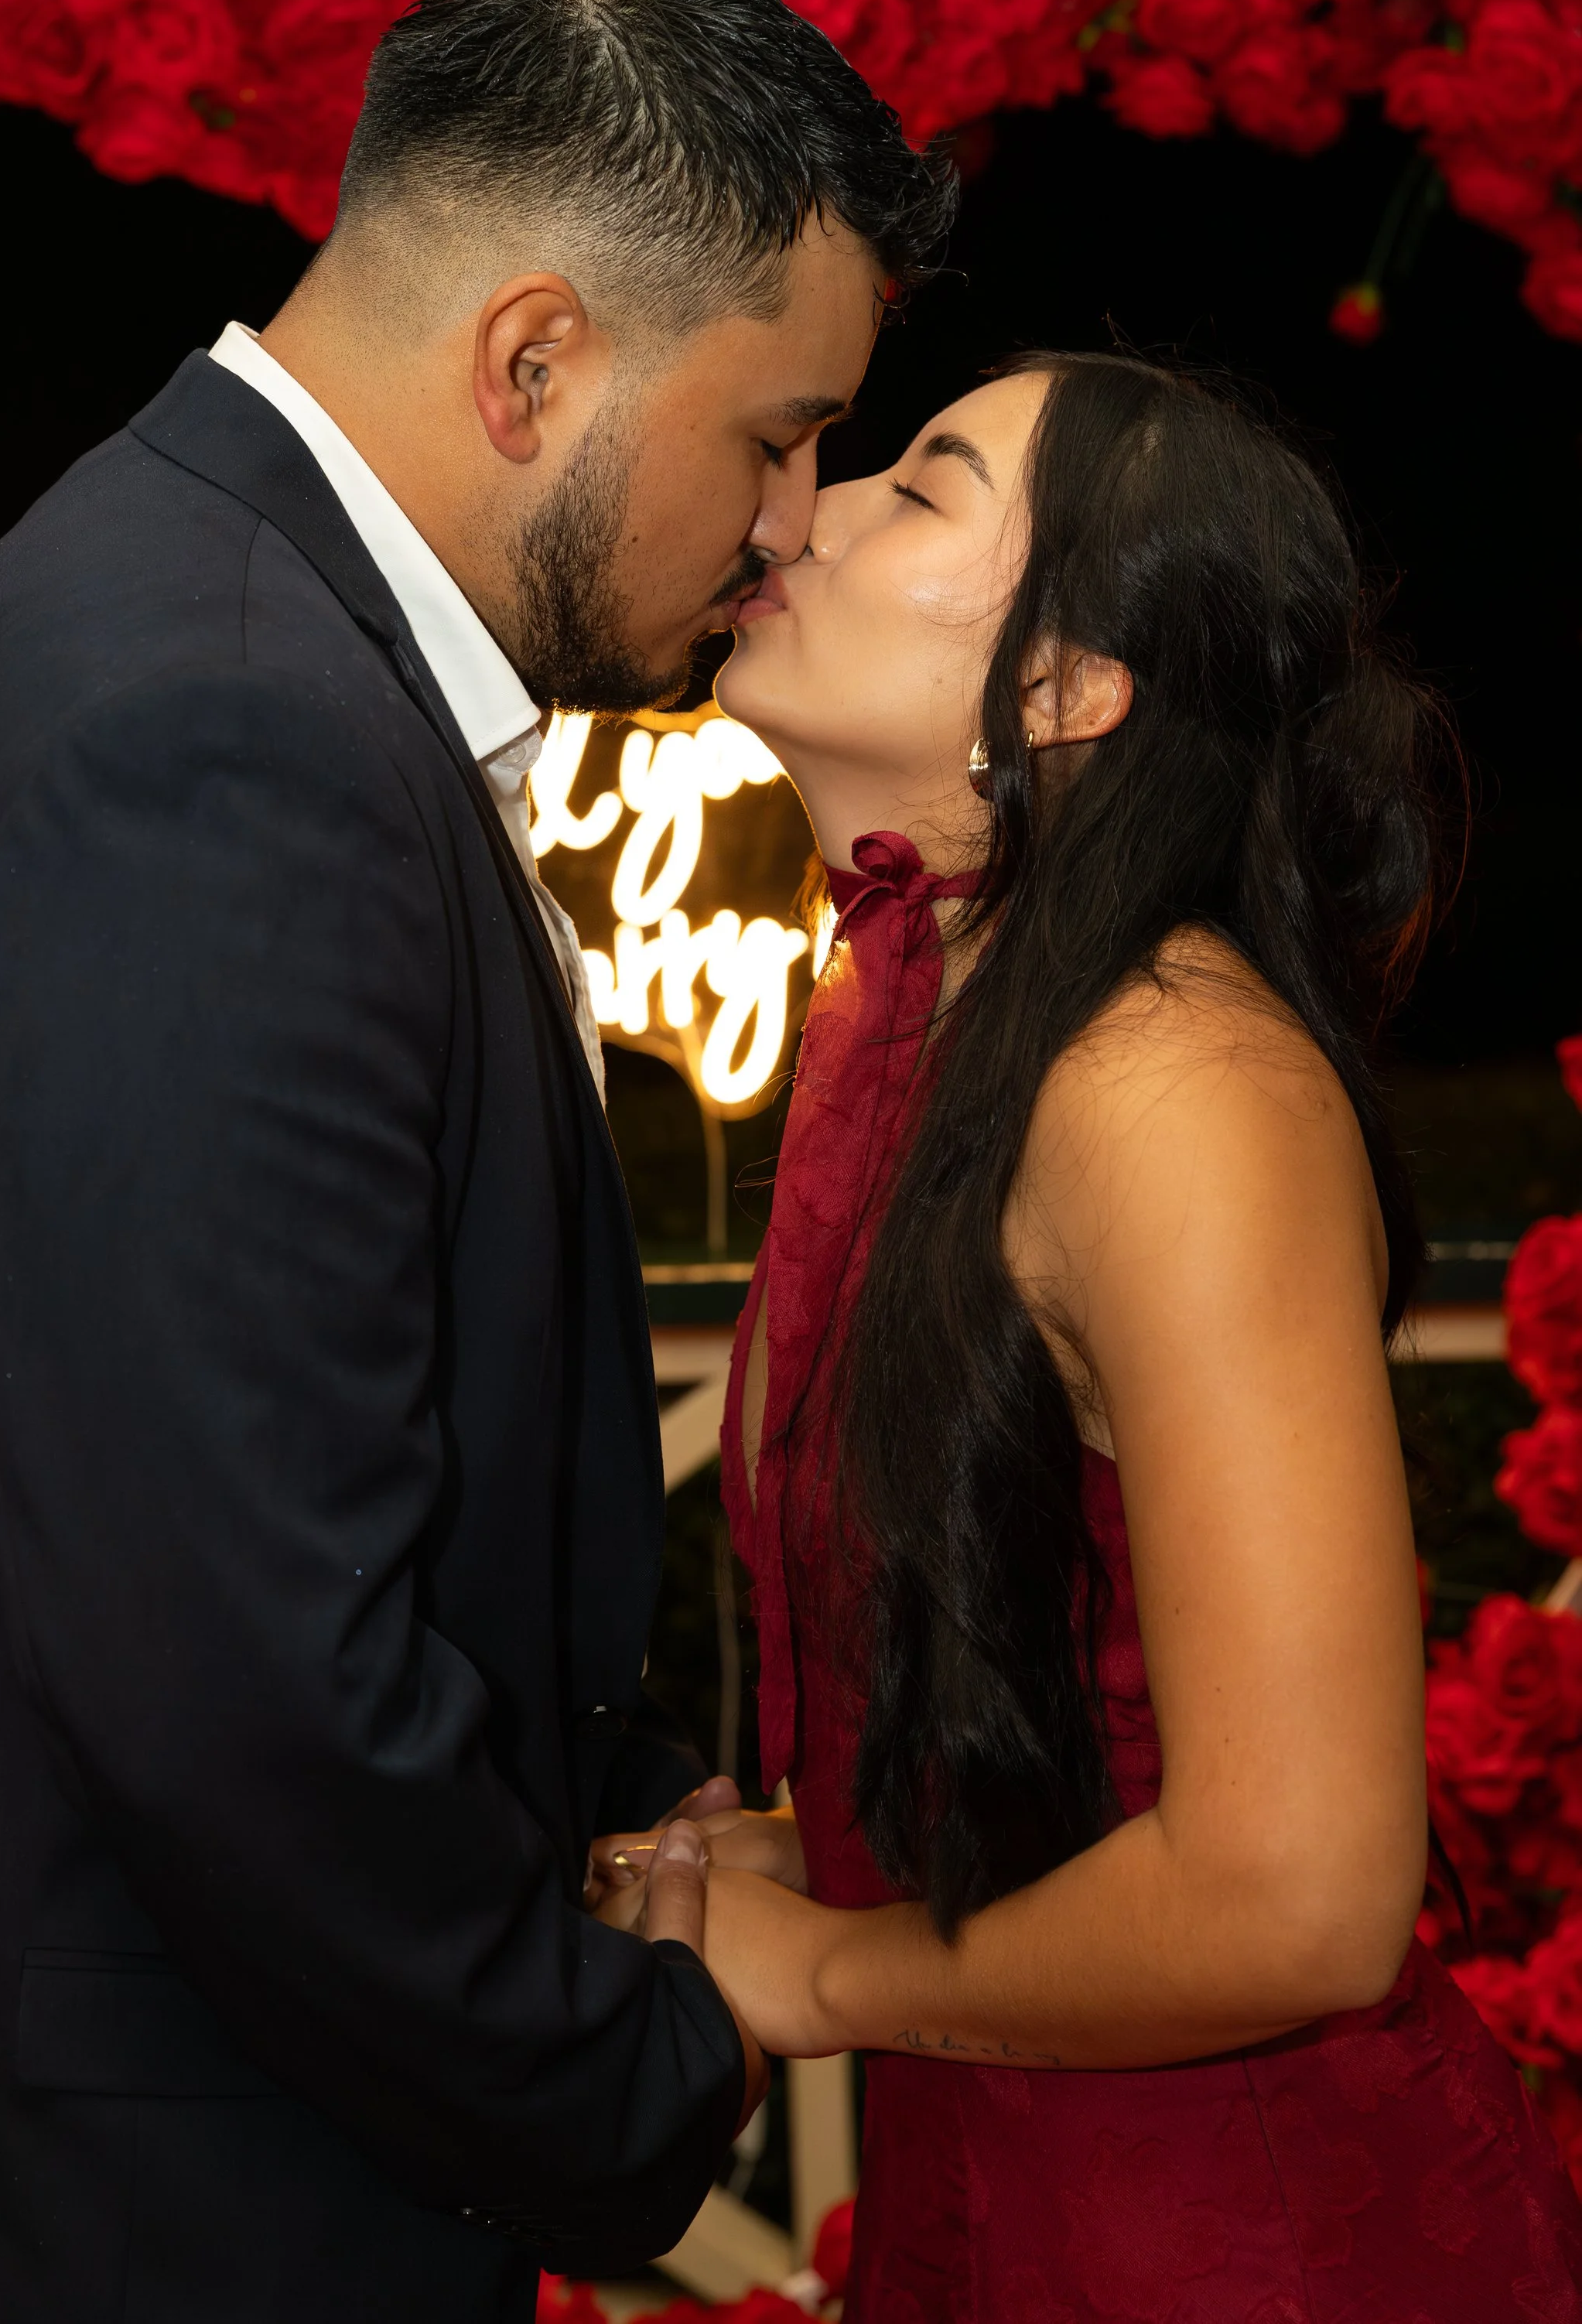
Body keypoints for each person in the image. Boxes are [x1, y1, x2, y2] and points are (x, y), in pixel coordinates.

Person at [0, 0, 954, 2322]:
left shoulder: (225, 630)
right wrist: (629, 2065)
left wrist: (619, 1777)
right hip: (76, 2221)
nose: (791, 521)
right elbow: (238, 1660)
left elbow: (314, 1475)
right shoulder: (221, 738)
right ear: (534, 356)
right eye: (776, 432)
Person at [595, 352, 1582, 2317]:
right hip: (1009, 2214)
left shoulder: (1171, 1079)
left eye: (920, 486)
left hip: (1243, 2242)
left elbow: (1298, 1895)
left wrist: (833, 1973)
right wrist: (815, 1852)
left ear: (1064, 688)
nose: (807, 507)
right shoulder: (903, 1026)